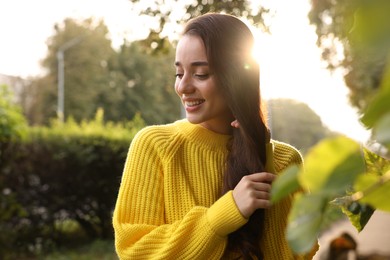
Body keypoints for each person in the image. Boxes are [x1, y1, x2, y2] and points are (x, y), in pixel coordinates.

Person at [113, 13, 318, 259]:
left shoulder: (285, 160)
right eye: (179, 74)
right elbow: (133, 250)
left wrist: (263, 153)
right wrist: (223, 215)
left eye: (200, 74)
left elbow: (299, 252)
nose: (183, 87)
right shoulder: (156, 145)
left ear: (236, 79)